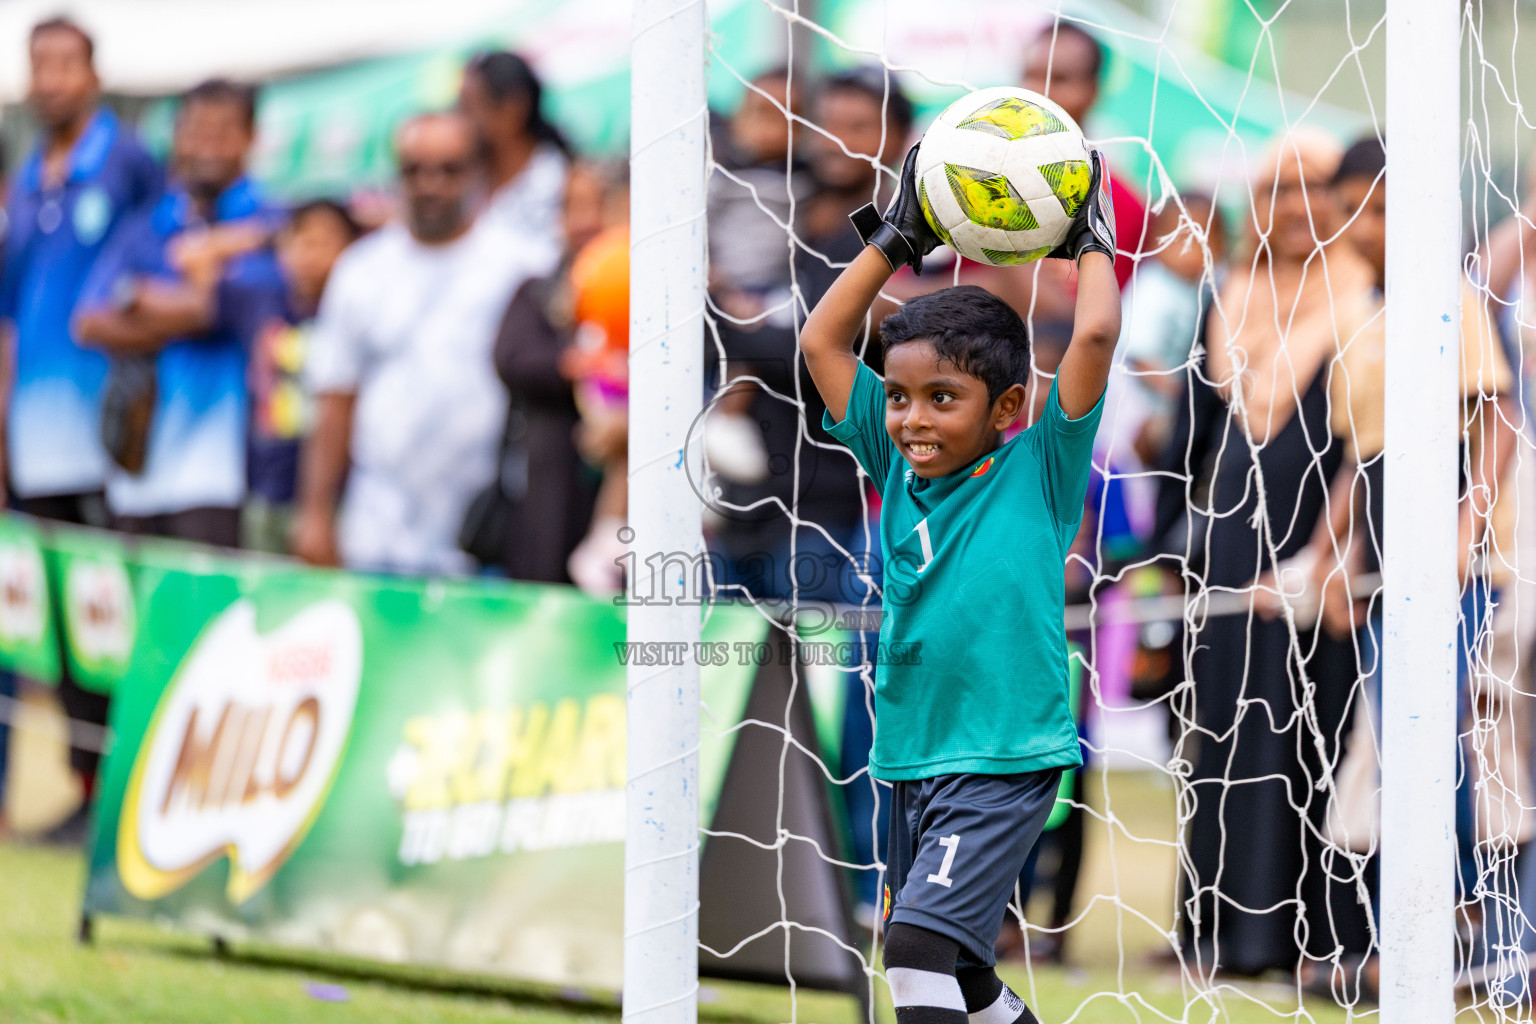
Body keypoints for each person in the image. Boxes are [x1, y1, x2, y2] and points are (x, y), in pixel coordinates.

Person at [798, 135, 1120, 1022]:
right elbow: (824, 337)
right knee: (966, 979)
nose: (911, 419)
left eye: (944, 398)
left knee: (913, 955)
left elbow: (1093, 330)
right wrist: (896, 239)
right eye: (899, 397)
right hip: (908, 761)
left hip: (1001, 759)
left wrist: (1089, 239)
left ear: (1007, 408)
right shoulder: (891, 462)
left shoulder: (1040, 467)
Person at [1305, 136, 1517, 1000]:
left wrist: (1466, 530)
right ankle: (1420, 931)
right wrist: (1330, 550)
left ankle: (1465, 923)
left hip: (1456, 566)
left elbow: (1496, 411)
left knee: (1449, 740)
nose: (1369, 225)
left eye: (1387, 208)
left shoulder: (1451, 299)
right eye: (1358, 207)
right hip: (1387, 565)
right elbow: (1363, 456)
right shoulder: (1359, 311)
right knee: (1398, 745)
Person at [1163, 129, 1376, 979]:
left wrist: (1337, 553)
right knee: (1222, 735)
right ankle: (1215, 932)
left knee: (1312, 734)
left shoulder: (1369, 297)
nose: (1296, 210)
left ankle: (1299, 940)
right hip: (1226, 560)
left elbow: (1368, 447)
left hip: (1320, 560)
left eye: (1314, 190)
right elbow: (1192, 440)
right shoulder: (1229, 297)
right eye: (1277, 192)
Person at [0, 17, 162, 842]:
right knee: (61, 622)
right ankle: (82, 785)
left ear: (94, 75)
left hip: (107, 444)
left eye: (66, 64)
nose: (51, 80)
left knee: (113, 612)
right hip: (34, 439)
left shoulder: (128, 162)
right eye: (39, 65)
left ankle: (127, 790)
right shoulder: (29, 174)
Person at [295, 112, 549, 575]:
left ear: (478, 173)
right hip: (376, 531)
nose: (431, 184)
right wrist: (314, 512)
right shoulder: (361, 270)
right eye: (415, 170)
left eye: (449, 170)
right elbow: (334, 396)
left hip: (487, 533)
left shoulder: (523, 264)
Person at [75, 78, 277, 549]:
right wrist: (176, 303)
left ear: (250, 138)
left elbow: (223, 306)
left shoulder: (269, 221)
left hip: (223, 475)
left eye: (223, 131)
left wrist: (143, 302)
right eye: (195, 130)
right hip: (138, 470)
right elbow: (87, 321)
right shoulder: (148, 224)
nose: (207, 145)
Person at [166, 200, 363, 552]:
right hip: (266, 490)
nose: (311, 254)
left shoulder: (360, 306)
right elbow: (188, 256)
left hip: (341, 495)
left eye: (325, 242)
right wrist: (267, 235)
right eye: (301, 241)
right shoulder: (261, 297)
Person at [483, 163, 621, 582]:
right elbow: (512, 359)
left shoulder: (645, 289)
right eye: (570, 207)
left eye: (595, 205)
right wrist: (577, 366)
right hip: (550, 479)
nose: (583, 221)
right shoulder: (539, 291)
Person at [459, 50, 569, 272]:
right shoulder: (464, 180)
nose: (459, 121)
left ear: (513, 109)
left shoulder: (560, 184)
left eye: (469, 108)